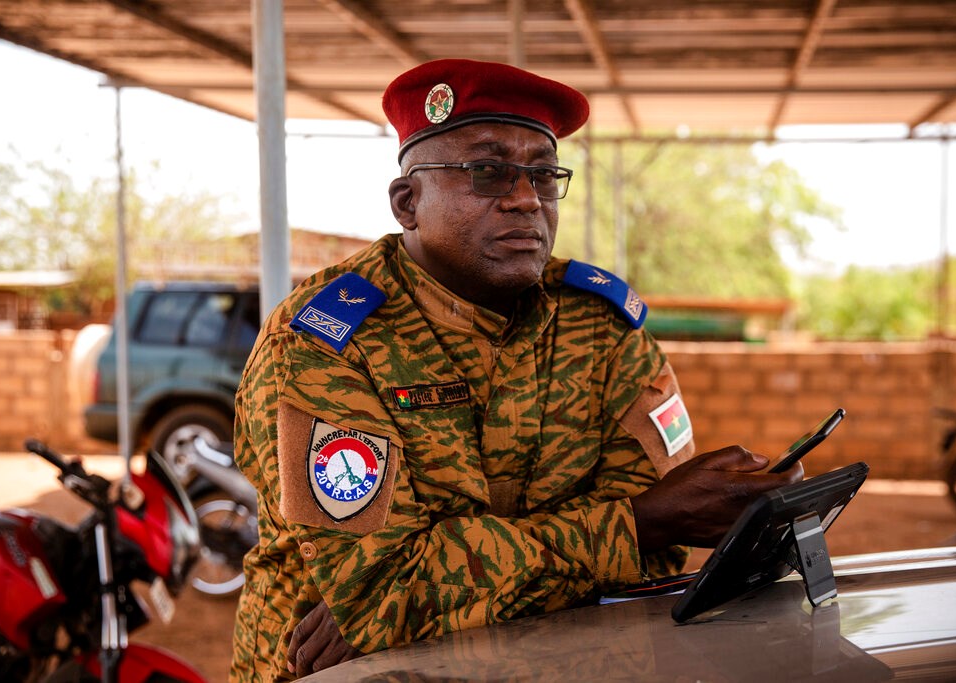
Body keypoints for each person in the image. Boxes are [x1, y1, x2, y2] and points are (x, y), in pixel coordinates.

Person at [229, 58, 803, 681]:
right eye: (487, 172)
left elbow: (657, 562)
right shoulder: (328, 340)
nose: (526, 199)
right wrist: (633, 525)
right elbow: (383, 592)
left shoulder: (600, 325)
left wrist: (427, 598)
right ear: (407, 202)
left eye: (541, 174)